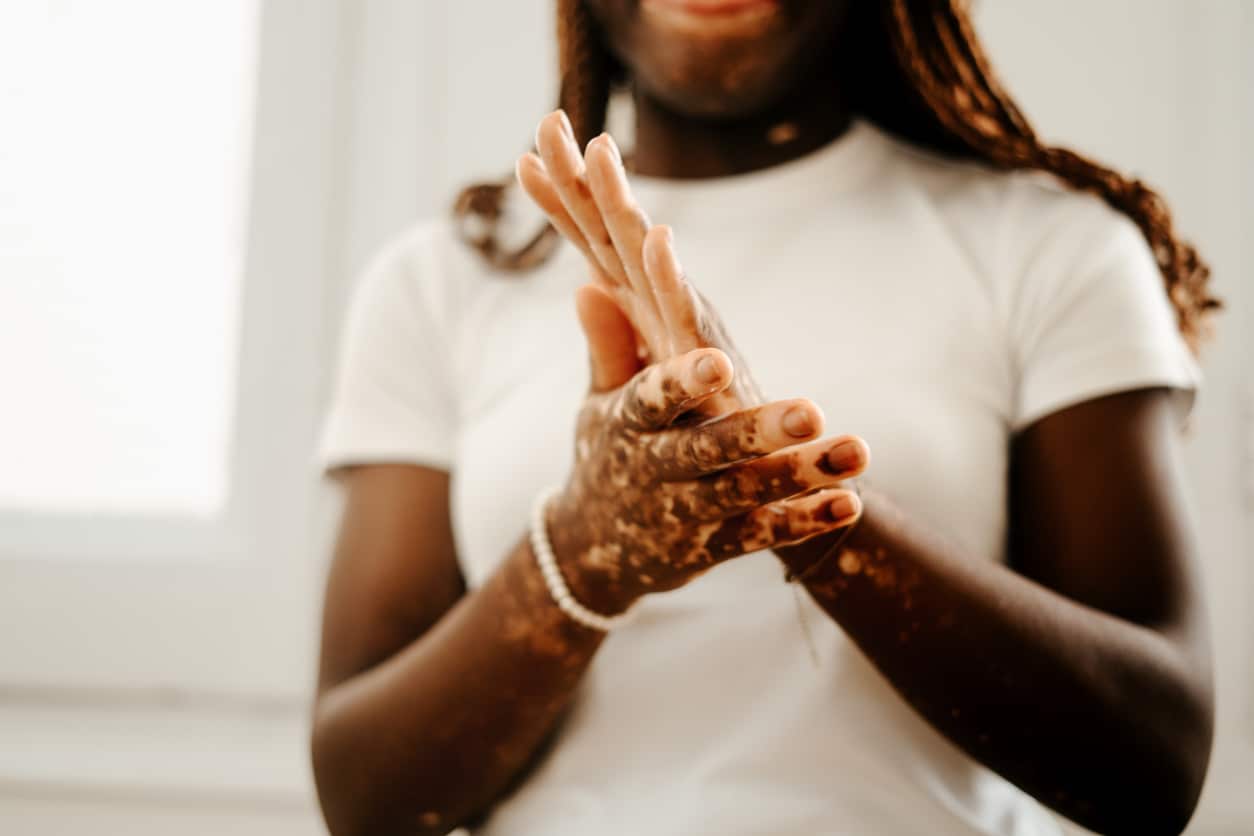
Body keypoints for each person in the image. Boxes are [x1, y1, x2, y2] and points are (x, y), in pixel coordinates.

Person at [310, 1, 1218, 834]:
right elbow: (366, 796)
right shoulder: (441, 282)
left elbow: (1153, 765)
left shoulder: (1052, 248)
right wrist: (590, 549)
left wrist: (806, 513)